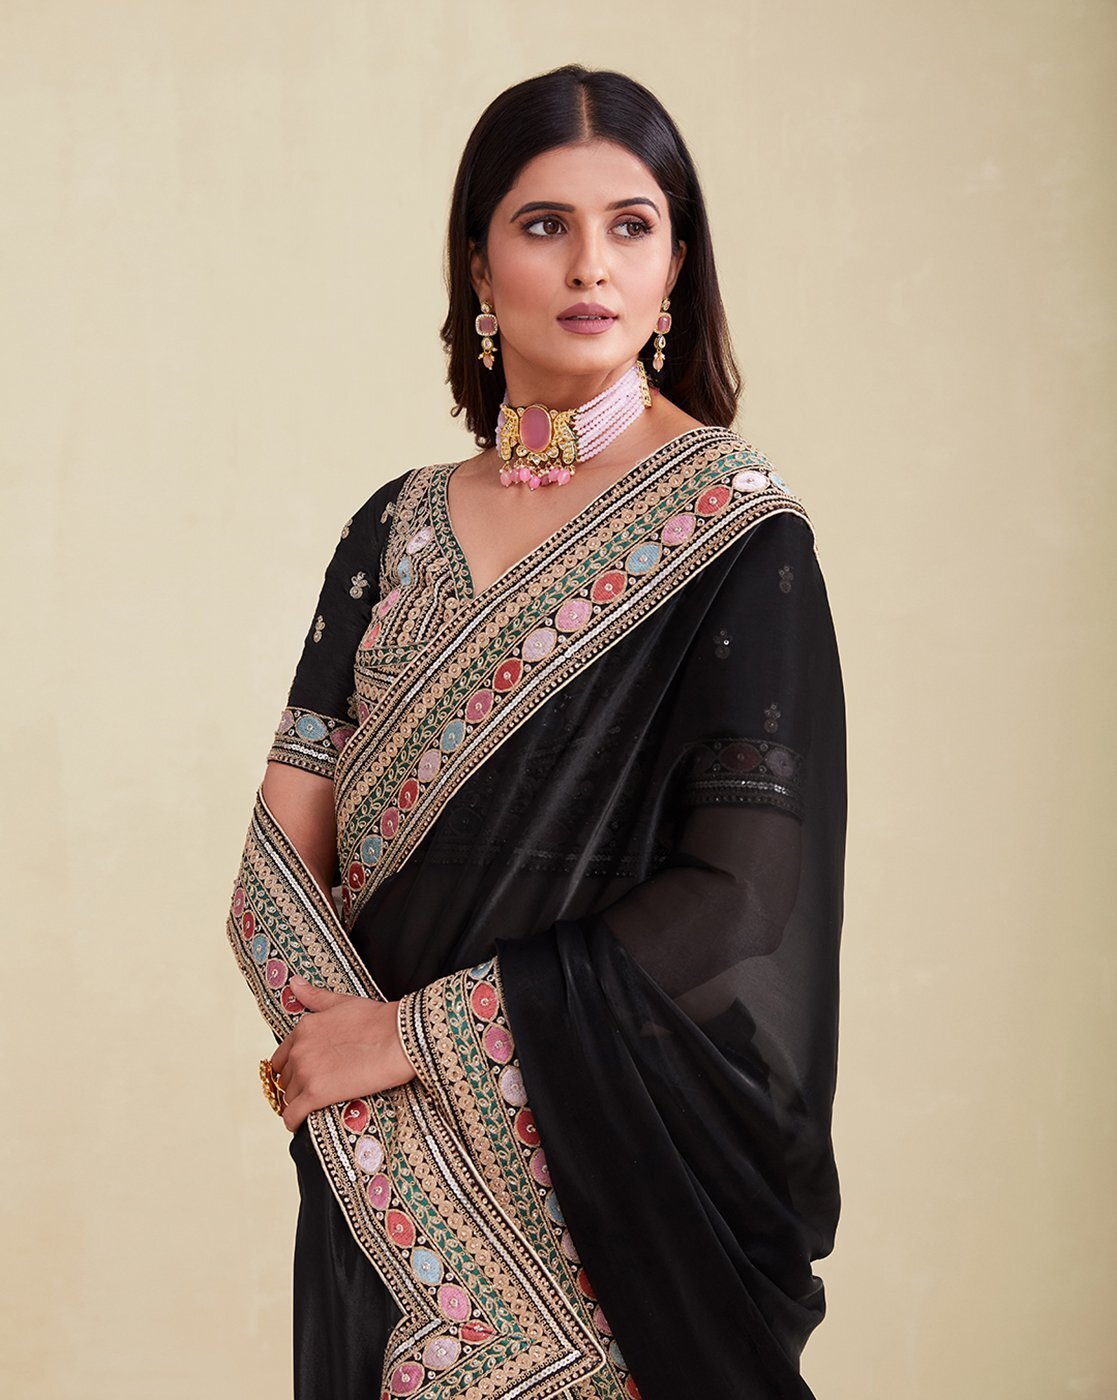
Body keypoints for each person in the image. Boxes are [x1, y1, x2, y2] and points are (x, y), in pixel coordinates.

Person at [227, 64, 847, 1400]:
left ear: (676, 266)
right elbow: (276, 869)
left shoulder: (737, 535)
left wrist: (413, 1042)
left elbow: (743, 889)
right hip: (385, 1192)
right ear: (478, 262)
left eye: (631, 224)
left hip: (621, 1169)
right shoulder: (391, 529)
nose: (590, 264)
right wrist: (383, 1121)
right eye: (544, 223)